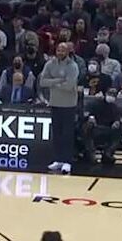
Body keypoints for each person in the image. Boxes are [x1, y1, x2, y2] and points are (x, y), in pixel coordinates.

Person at [41, 42, 82, 174]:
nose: (60, 52)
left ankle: (67, 161)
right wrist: (59, 80)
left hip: (69, 104)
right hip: (55, 102)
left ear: (68, 52)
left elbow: (69, 85)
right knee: (57, 133)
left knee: (67, 135)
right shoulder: (50, 64)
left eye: (63, 50)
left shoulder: (73, 66)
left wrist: (53, 82)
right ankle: (58, 159)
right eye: (58, 50)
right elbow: (42, 81)